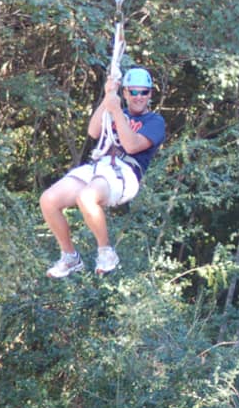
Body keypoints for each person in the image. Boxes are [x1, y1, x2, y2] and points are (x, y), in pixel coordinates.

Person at [40, 67, 166, 278]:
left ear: (150, 94)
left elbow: (132, 145)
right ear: (125, 93)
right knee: (48, 200)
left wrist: (116, 111)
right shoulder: (115, 109)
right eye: (133, 92)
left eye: (144, 92)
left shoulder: (155, 122)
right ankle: (70, 257)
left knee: (86, 197)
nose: (139, 97)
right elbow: (93, 131)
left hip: (124, 172)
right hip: (100, 165)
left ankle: (105, 252)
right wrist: (108, 97)